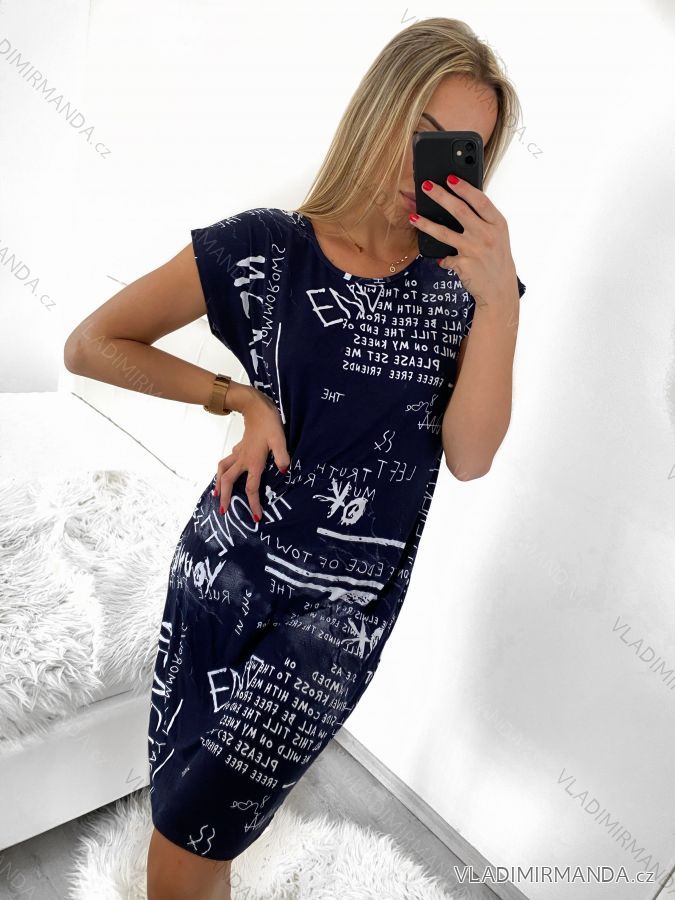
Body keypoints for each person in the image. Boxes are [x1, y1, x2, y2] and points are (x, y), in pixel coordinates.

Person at [63, 16, 526, 900]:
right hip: (220, 569)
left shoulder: (473, 288)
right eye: (420, 130)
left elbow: (470, 457)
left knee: (194, 832)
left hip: (338, 617)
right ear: (378, 111)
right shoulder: (263, 248)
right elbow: (92, 345)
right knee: (181, 810)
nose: (430, 164)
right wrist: (237, 398)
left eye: (461, 150)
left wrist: (500, 301)